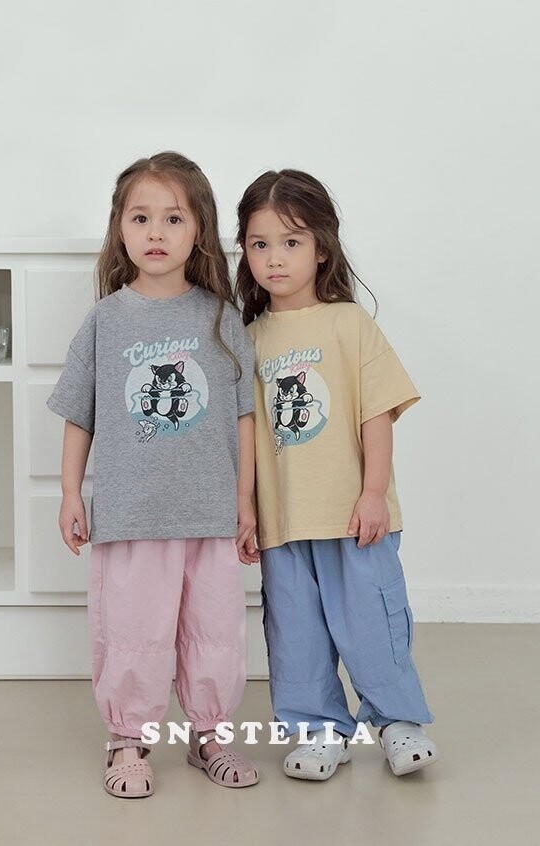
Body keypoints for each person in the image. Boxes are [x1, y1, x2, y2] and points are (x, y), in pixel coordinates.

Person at [47, 151, 260, 797]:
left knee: (213, 632)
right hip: (132, 514)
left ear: (199, 230)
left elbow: (244, 417)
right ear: (120, 228)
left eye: (173, 218)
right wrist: (69, 493)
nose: (156, 233)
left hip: (209, 514)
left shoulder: (221, 318)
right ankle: (128, 739)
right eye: (141, 218)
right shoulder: (106, 320)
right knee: (135, 633)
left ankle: (209, 734)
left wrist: (245, 502)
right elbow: (79, 413)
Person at [235, 168, 438, 780]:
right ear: (244, 251)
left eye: (291, 242)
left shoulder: (349, 323)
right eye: (260, 244)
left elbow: (377, 412)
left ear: (321, 248)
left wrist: (374, 493)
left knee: (372, 622)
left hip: (355, 517)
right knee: (295, 634)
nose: (275, 258)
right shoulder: (247, 339)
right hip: (284, 523)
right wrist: (246, 510)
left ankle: (397, 722)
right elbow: (246, 434)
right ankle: (320, 731)